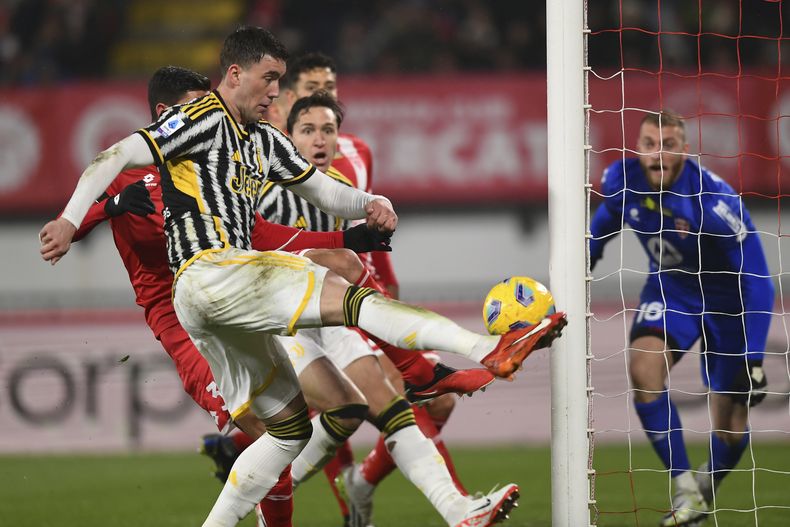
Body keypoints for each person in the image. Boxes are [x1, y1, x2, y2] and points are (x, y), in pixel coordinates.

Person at [40, 27, 566, 527]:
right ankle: (485, 350)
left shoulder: (264, 141)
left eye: (279, 80)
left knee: (287, 431)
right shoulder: (202, 115)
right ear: (234, 74)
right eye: (269, 78)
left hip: (208, 301)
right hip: (213, 272)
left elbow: (321, 189)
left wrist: (369, 203)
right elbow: (115, 154)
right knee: (350, 296)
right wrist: (70, 219)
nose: (276, 90)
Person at [65, 64, 395, 527]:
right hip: (179, 320)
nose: (209, 117)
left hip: (228, 296)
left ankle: (238, 458)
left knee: (312, 418)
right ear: (166, 114)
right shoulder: (130, 172)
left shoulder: (210, 170)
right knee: (272, 433)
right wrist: (110, 207)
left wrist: (345, 242)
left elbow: (261, 232)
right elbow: (64, 230)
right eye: (195, 108)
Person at [590, 110, 774, 526]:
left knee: (729, 426)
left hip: (729, 306)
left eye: (668, 145)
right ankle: (683, 486)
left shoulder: (714, 203)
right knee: (644, 368)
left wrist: (755, 358)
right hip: (672, 292)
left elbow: (760, 280)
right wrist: (583, 262)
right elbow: (603, 224)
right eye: (649, 144)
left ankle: (704, 489)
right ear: (638, 148)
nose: (657, 155)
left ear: (684, 150)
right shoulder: (623, 180)